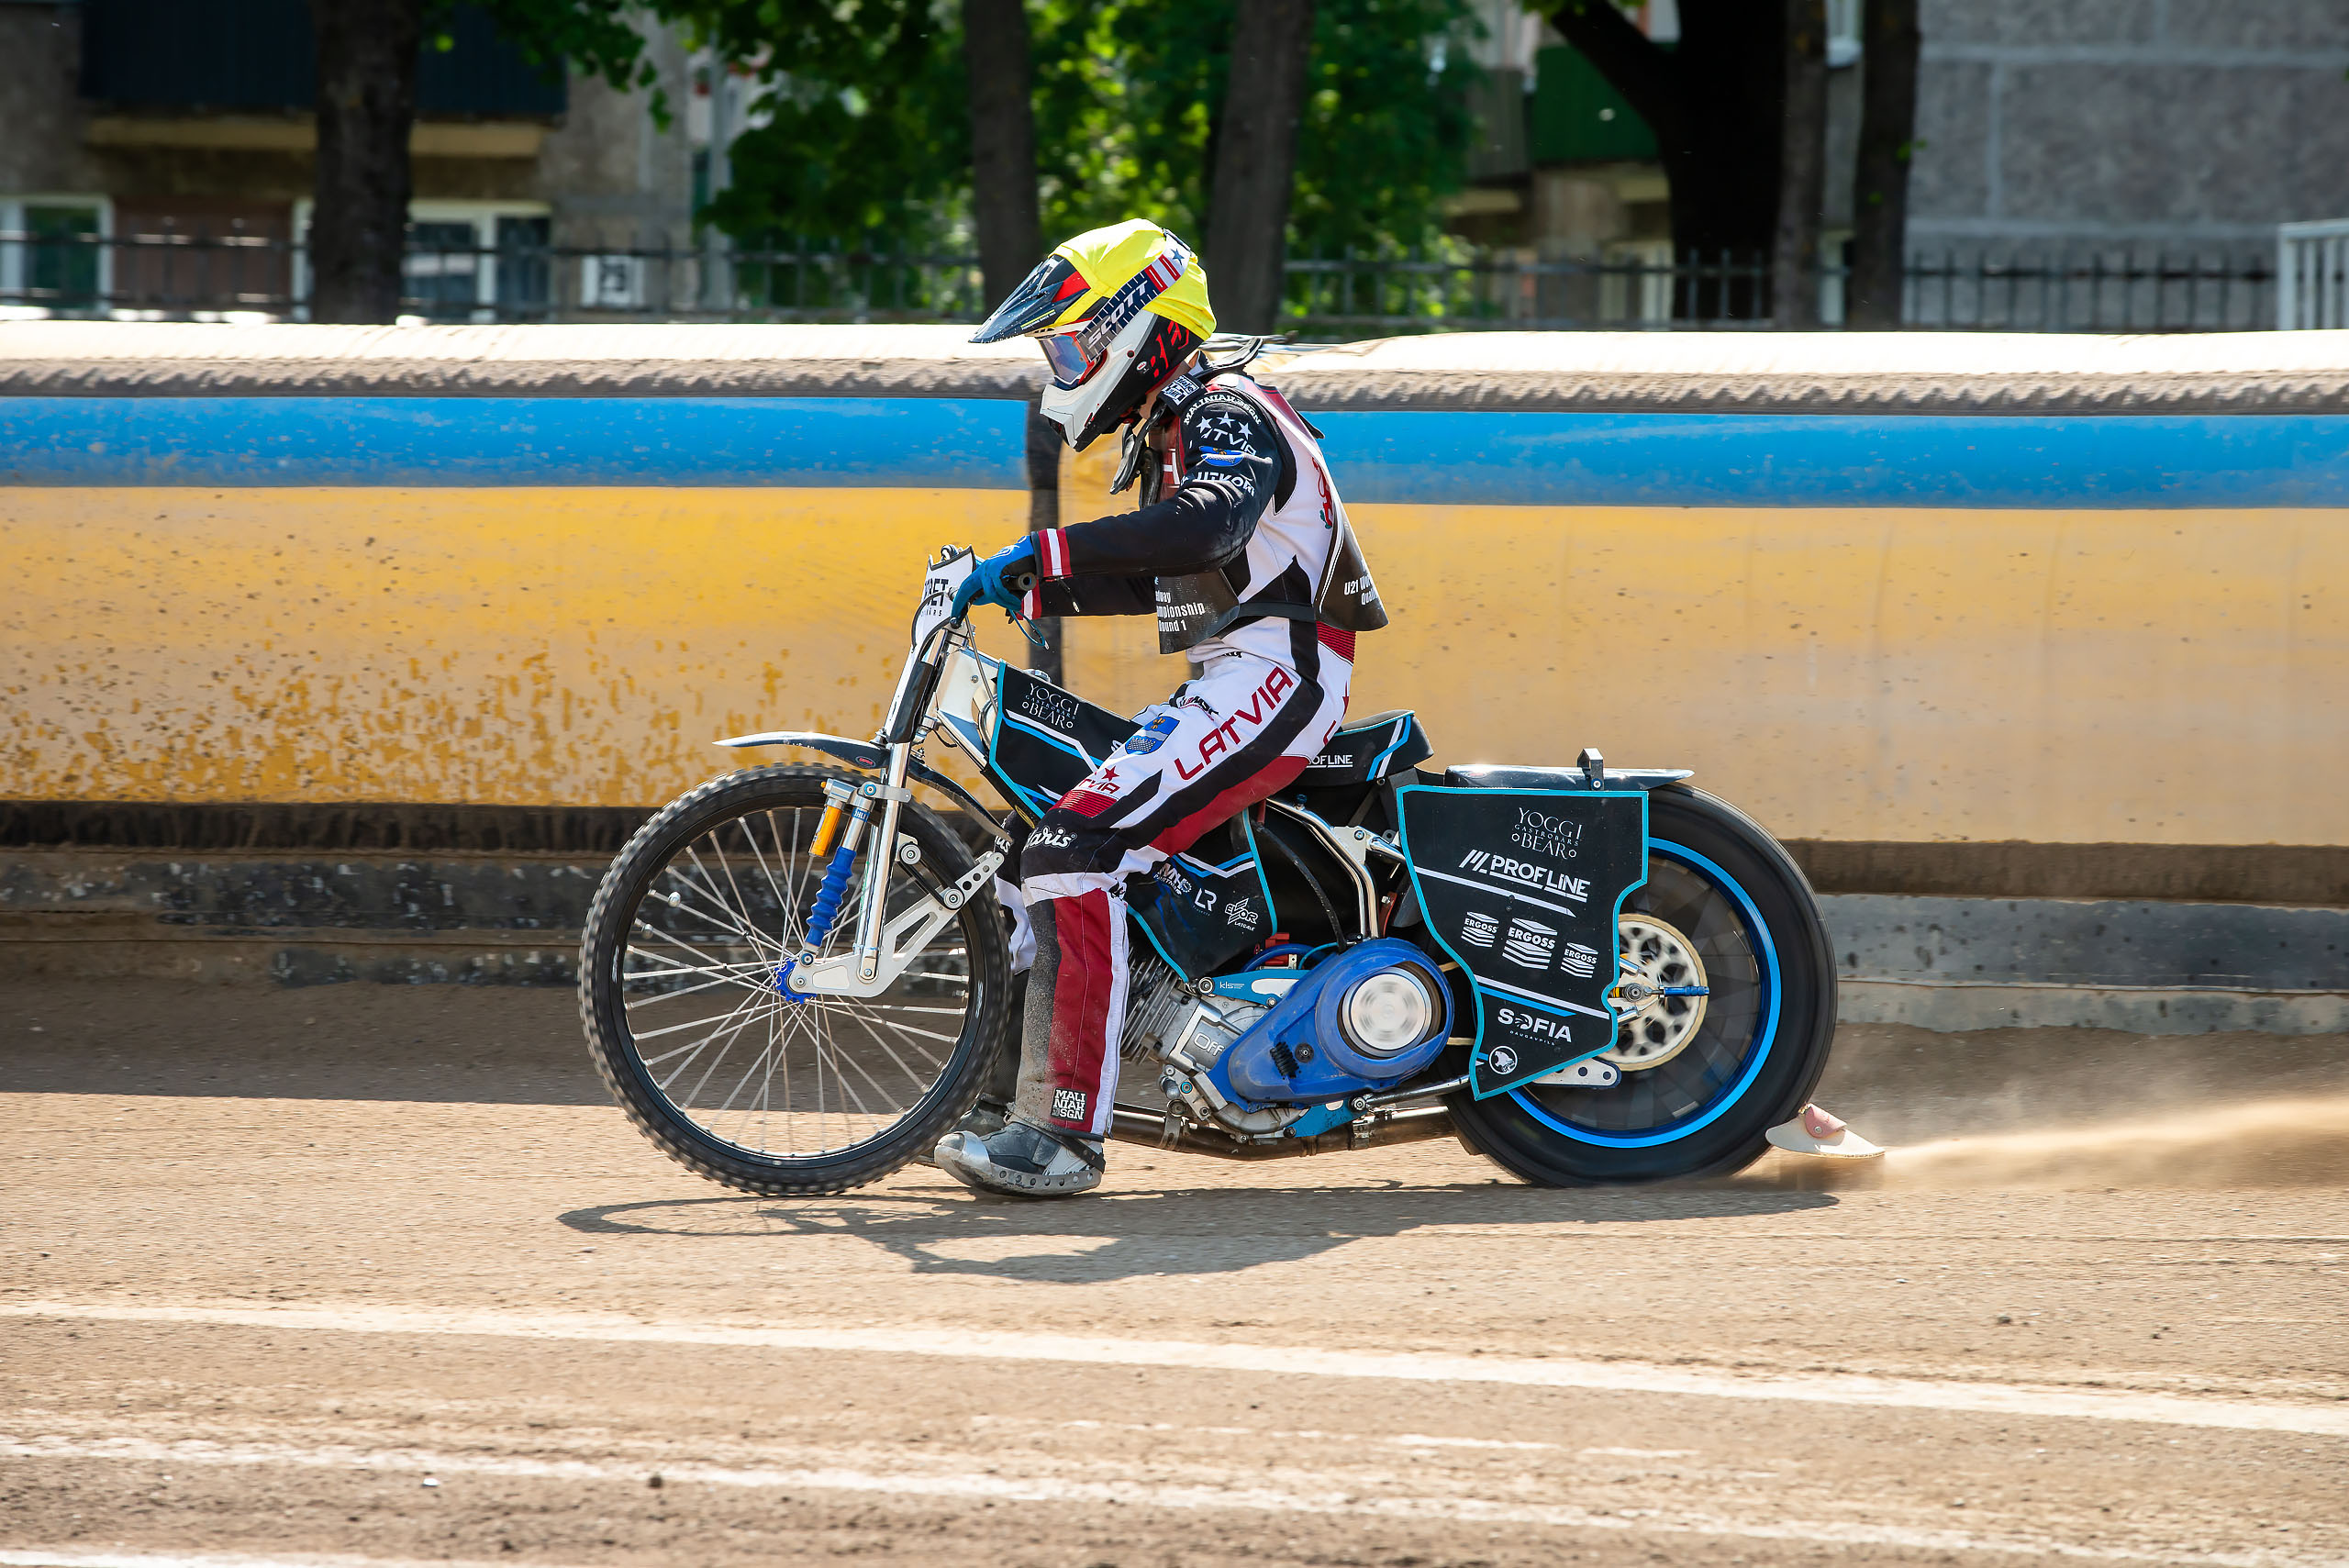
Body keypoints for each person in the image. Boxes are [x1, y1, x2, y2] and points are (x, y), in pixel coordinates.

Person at [932, 218, 1386, 1199]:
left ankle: (1063, 1135)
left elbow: (1207, 521)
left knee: (1074, 848)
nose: (1058, 368)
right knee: (1029, 857)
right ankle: (1000, 1102)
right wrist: (1028, 587)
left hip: (1278, 677)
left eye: (1066, 343)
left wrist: (1045, 554)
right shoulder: (1180, 426)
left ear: (1136, 326)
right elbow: (1174, 579)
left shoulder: (1226, 410)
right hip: (1236, 673)